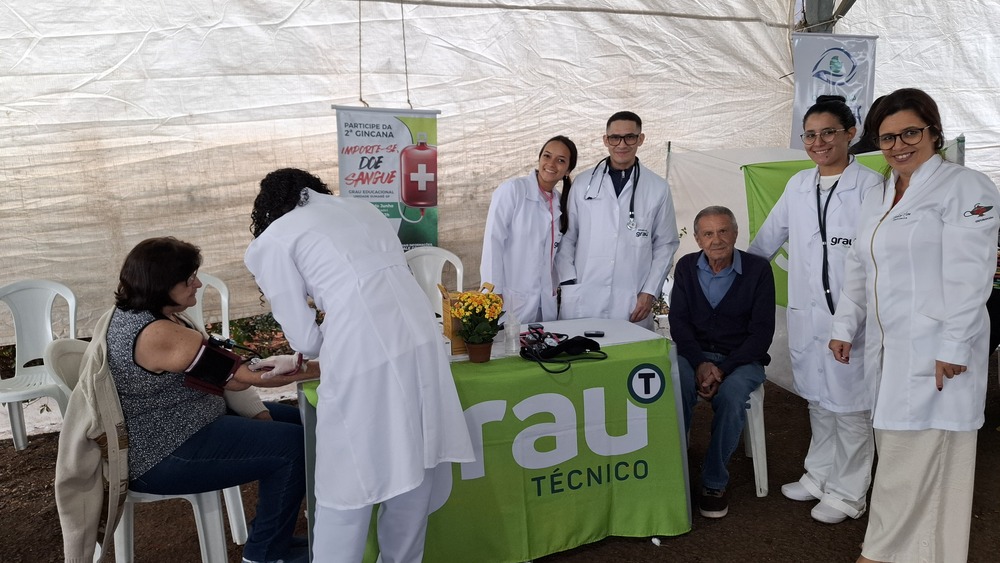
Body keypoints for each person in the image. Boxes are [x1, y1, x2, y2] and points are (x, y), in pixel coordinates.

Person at [244, 168, 475, 563]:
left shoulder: (274, 238)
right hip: (421, 339)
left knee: (346, 479)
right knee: (414, 464)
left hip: (363, 355)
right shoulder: (363, 208)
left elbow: (306, 338)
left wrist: (309, 350)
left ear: (268, 208)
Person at [56, 237, 314, 563]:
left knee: (308, 425)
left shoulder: (148, 314)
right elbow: (242, 377)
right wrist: (327, 366)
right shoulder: (157, 333)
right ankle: (264, 554)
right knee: (293, 446)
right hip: (162, 453)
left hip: (193, 422)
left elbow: (229, 378)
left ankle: (280, 538)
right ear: (162, 285)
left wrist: (261, 412)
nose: (198, 284)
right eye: (189, 279)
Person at [828, 88, 1000, 563]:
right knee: (903, 456)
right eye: (887, 138)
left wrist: (955, 346)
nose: (899, 145)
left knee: (914, 463)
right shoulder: (880, 193)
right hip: (891, 354)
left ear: (934, 133)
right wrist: (845, 325)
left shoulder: (966, 188)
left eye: (910, 133)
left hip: (937, 353)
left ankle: (877, 555)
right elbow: (859, 267)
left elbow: (970, 276)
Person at [748, 95, 883, 525]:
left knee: (851, 407)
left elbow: (873, 261)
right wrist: (738, 278)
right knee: (818, 400)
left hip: (852, 318)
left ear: (851, 134)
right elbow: (767, 240)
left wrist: (850, 321)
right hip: (807, 316)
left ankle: (849, 493)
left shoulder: (871, 187)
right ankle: (819, 474)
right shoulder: (799, 185)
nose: (818, 142)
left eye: (828, 133)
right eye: (810, 135)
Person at [669, 206, 775, 519]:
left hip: (742, 359)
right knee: (676, 385)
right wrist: (700, 363)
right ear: (698, 239)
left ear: (735, 233)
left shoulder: (757, 269)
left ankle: (714, 480)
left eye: (723, 231)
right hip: (694, 355)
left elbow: (761, 334)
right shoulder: (686, 267)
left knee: (731, 396)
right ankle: (675, 470)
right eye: (708, 233)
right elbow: (679, 323)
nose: (717, 240)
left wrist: (724, 369)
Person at [554, 111, 679, 329]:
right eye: (615, 138)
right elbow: (567, 236)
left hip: (632, 299)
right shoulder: (583, 183)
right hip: (584, 293)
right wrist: (567, 281)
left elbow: (665, 244)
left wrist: (649, 291)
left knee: (628, 349)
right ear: (606, 140)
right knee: (580, 348)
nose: (622, 144)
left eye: (630, 137)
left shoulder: (657, 188)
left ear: (641, 139)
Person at [481, 135, 578, 323]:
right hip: (510, 298)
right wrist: (493, 291)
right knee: (508, 341)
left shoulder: (560, 202)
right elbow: (493, 243)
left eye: (560, 160)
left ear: (568, 170)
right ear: (539, 158)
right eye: (547, 156)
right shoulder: (513, 190)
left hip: (545, 302)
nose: (551, 164)